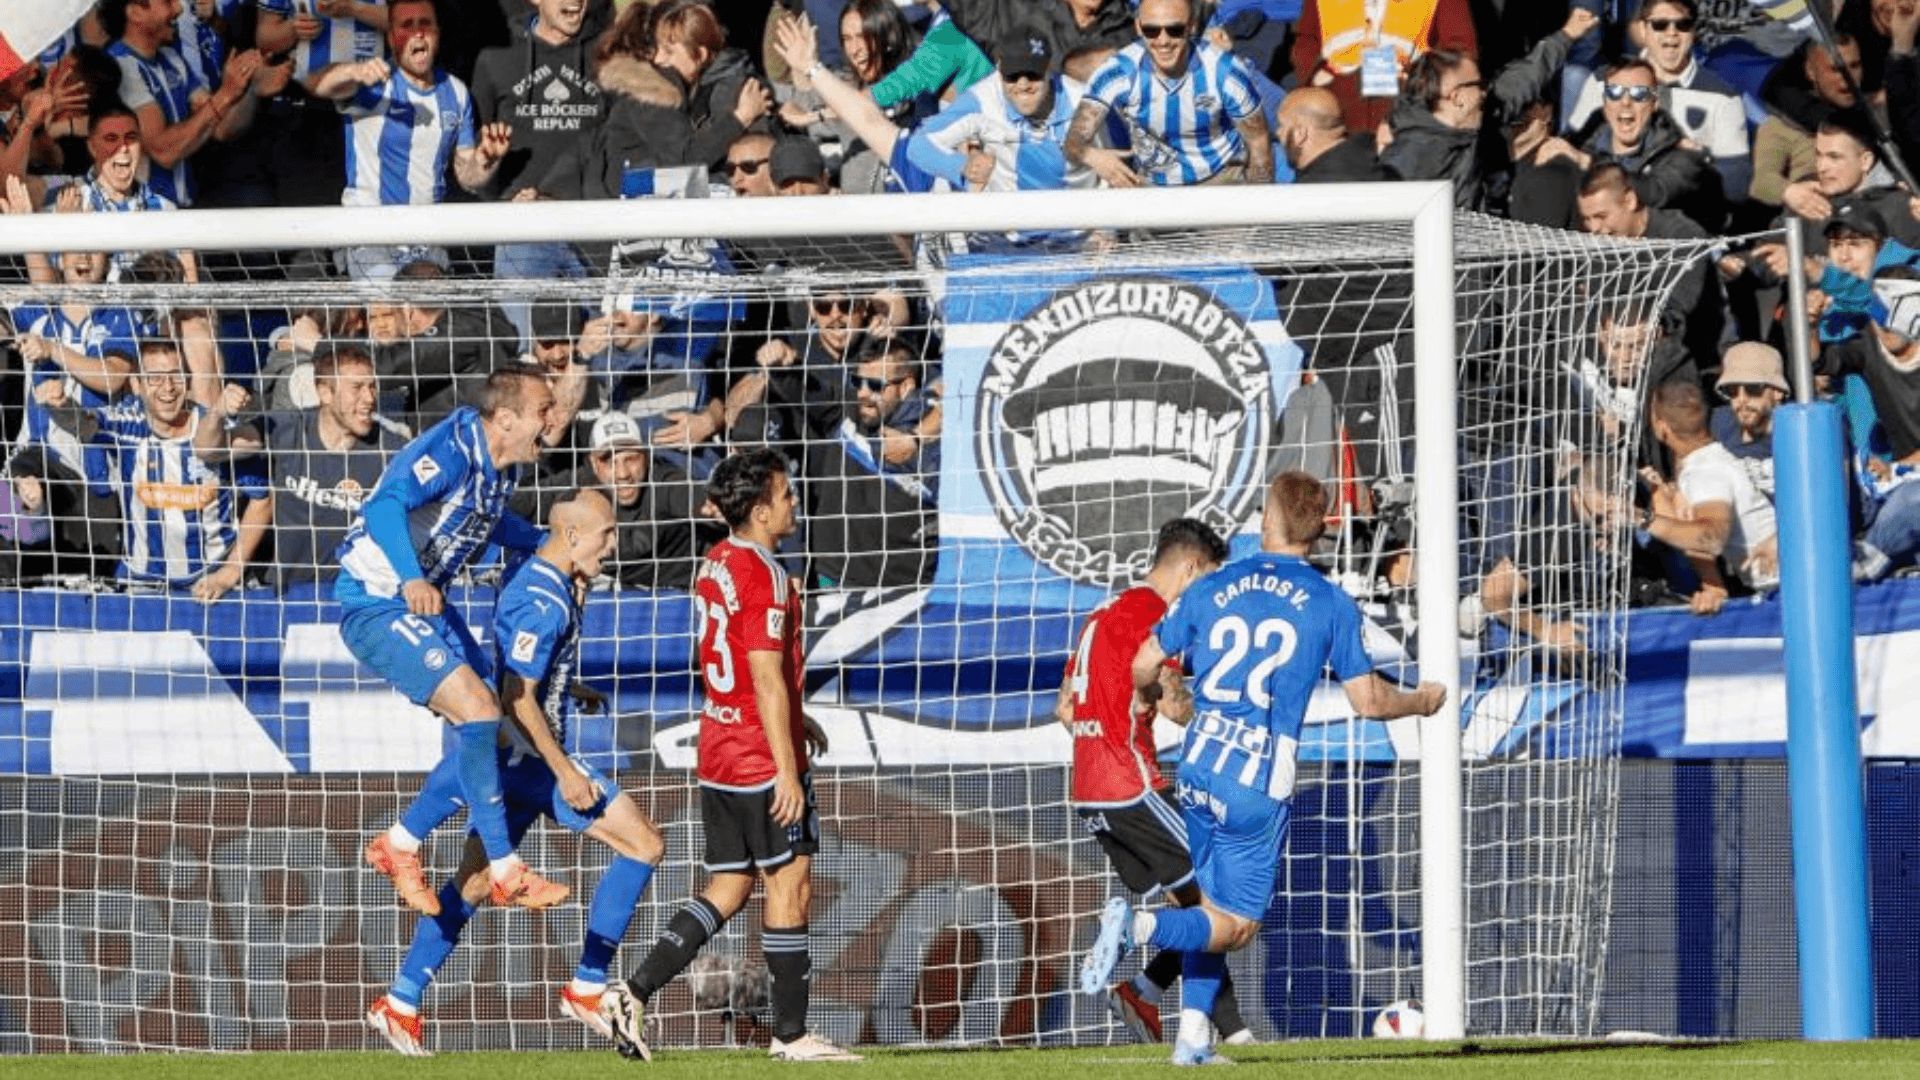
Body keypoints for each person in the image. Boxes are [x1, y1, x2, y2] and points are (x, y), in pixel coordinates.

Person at [1080, 471, 1446, 1065]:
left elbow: (1146, 663)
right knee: (1238, 927)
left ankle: (1193, 1040)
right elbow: (1370, 702)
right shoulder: (1330, 603)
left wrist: (1153, 694)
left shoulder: (1215, 585)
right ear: (1322, 532)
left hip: (1197, 766)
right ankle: (1138, 930)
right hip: (1256, 781)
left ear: (1265, 523)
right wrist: (1421, 701)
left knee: (1210, 906)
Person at [363, 490, 667, 1057]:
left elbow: (521, 672)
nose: (613, 546)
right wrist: (565, 773)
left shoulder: (544, 581)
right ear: (573, 536)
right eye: (606, 535)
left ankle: (400, 1003)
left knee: (473, 882)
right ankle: (587, 986)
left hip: (516, 755)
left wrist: (567, 687)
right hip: (533, 759)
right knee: (644, 845)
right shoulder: (543, 598)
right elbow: (515, 697)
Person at [599, 448, 859, 1063]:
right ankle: (792, 1037)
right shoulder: (765, 574)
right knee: (789, 884)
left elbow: (733, 664)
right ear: (763, 510)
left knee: (730, 885)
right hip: (755, 758)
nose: (796, 501)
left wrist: (800, 719)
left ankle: (632, 993)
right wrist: (786, 764)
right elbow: (766, 676)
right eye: (787, 494)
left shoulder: (715, 562)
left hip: (718, 746)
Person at [338, 366, 570, 912]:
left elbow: (492, 526)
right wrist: (411, 576)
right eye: (545, 411)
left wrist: (551, 543)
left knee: (491, 723)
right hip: (377, 601)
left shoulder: (503, 471)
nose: (554, 421)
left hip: (425, 603)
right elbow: (384, 505)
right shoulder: (454, 448)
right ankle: (506, 869)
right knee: (481, 712)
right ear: (506, 419)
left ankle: (398, 844)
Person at [1059, 517, 1253, 1047]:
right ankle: (1231, 1036)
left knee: (1192, 907)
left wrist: (1119, 717)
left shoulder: (1099, 617)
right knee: (1220, 902)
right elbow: (1174, 702)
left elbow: (1063, 710)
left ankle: (1144, 990)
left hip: (1089, 790)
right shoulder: (1152, 614)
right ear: (1190, 568)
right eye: (1209, 579)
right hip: (1133, 784)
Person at [48, 338, 269, 600]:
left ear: (188, 381)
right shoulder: (127, 423)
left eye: (176, 376)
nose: (167, 388)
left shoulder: (217, 432)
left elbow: (262, 499)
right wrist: (60, 404)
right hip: (141, 583)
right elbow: (85, 424)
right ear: (136, 385)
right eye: (154, 378)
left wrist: (229, 572)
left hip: (210, 583)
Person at [309, 0, 512, 278]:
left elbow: (467, 177)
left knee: (436, 318)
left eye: (425, 24)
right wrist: (352, 71)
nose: (418, 33)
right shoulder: (374, 83)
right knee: (392, 311)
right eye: (407, 25)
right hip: (371, 235)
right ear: (392, 38)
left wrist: (486, 161)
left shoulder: (456, 92)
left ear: (437, 33)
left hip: (427, 240)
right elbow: (321, 84)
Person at [471, 0, 610, 350]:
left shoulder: (609, 54)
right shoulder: (496, 59)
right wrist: (486, 163)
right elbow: (474, 172)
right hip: (524, 233)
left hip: (593, 231)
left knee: (601, 356)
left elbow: (620, 146)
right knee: (528, 358)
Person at [1066, 0, 1272, 187]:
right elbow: (1073, 141)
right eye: (1151, 30)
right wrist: (1092, 155)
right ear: (1138, 27)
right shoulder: (1116, 73)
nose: (1163, 40)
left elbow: (1258, 141)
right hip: (1153, 183)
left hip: (1220, 176)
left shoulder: (1226, 73)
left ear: (1191, 26)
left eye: (1174, 29)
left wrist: (1258, 203)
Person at [1564, 0, 1751, 203]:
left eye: (1683, 25)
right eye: (1660, 25)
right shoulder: (1602, 82)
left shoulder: (1723, 97)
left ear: (1693, 32)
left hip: (1682, 217)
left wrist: (1698, 163)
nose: (1672, 32)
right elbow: (1571, 153)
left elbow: (1736, 185)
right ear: (1643, 30)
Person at [512, 412, 721, 591]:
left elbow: (708, 506)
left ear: (646, 458)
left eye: (631, 459)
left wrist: (719, 510)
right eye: (609, 461)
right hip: (609, 594)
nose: (622, 474)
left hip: (676, 593)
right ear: (594, 464)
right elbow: (518, 503)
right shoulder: (578, 486)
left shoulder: (665, 483)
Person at [803, 332, 940, 591]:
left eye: (876, 385)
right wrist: (782, 366)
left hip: (901, 592)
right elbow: (803, 389)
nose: (863, 393)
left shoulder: (932, 443)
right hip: (832, 582)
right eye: (858, 381)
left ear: (906, 386)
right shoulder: (847, 414)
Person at [264, 345, 405, 591]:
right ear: (325, 393)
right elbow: (210, 449)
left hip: (359, 594)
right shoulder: (289, 429)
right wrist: (218, 415)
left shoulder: (392, 451)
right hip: (288, 591)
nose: (370, 398)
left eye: (372, 386)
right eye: (357, 388)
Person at [104, 0, 268, 207]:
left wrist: (252, 86)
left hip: (183, 210)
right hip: (143, 215)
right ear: (136, 12)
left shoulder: (171, 58)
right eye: (167, 2)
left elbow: (219, 126)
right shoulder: (120, 66)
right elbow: (164, 151)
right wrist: (225, 94)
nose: (179, 9)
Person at [1642, 379, 1780, 616]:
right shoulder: (1705, 458)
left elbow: (1710, 537)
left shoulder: (1705, 472)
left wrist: (1640, 519)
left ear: (1662, 428)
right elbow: (1689, 529)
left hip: (1789, 584)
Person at [1289, 0, 1478, 135]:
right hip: (1335, 96)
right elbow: (1306, 41)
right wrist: (1316, 75)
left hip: (1407, 96)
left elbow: (1460, 50)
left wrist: (1420, 78)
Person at [1709, 342, 1789, 500]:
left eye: (1753, 389)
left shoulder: (1799, 435)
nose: (1742, 399)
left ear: (1777, 392)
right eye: (1732, 391)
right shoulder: (1717, 425)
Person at [1274, 86, 1393, 183]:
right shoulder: (1372, 146)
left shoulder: (1313, 191)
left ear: (1300, 133)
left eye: (1282, 126)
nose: (1278, 133)